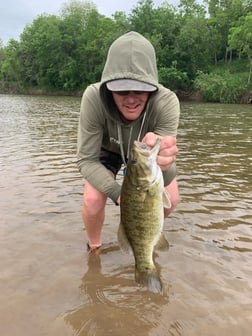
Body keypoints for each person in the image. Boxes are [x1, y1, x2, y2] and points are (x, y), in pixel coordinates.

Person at [77, 31, 180, 252]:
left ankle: (147, 243)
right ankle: (94, 249)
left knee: (172, 199)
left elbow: (167, 175)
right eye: (122, 89)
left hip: (146, 161)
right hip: (108, 149)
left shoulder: (168, 102)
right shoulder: (93, 98)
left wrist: (166, 162)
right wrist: (120, 195)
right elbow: (86, 160)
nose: (132, 99)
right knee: (93, 201)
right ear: (109, 88)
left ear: (152, 88)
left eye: (141, 89)